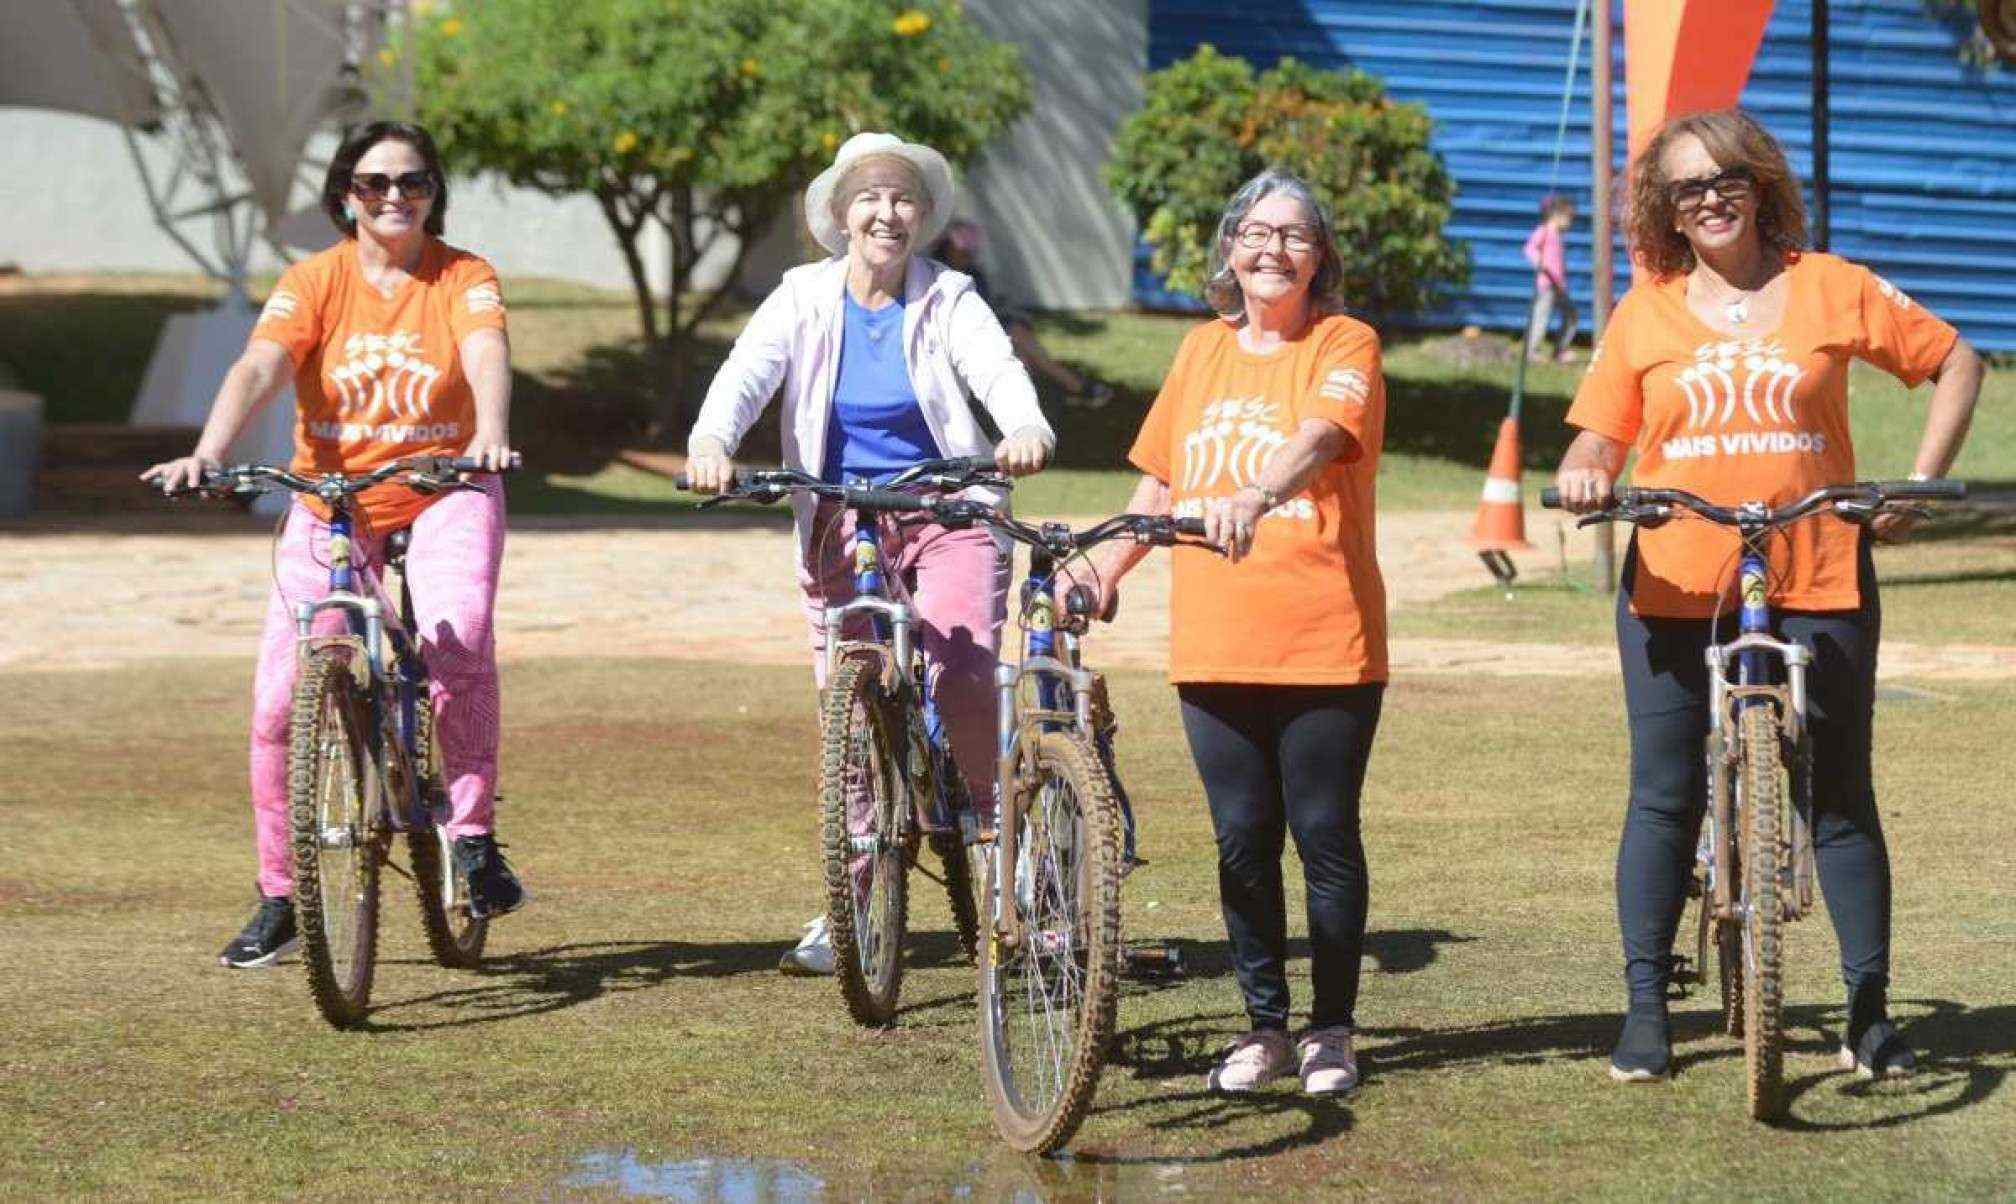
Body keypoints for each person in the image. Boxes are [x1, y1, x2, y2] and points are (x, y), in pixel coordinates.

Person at [1554, 108, 1984, 1084]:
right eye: (1686, 187)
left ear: (1759, 185)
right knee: (1663, 795)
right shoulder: (1645, 309)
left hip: (1821, 568)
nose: (1708, 198)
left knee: (1837, 796)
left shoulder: (1827, 286)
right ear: (1663, 207)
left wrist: (1914, 483)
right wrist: (1585, 469)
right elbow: (1597, 435)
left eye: (1725, 179)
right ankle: (1647, 1011)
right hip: (1673, 580)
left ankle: (1866, 1012)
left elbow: (1958, 358)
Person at [142, 121, 529, 967]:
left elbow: (486, 348)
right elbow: (258, 366)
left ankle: (471, 838)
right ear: (344, 194)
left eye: (414, 181)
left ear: (434, 190)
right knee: (280, 700)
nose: (395, 197)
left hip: (446, 487)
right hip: (330, 500)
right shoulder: (313, 280)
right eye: (374, 183)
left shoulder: (463, 275)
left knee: (456, 638)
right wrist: (209, 452)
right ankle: (281, 893)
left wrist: (490, 434)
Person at [685, 132, 1055, 975]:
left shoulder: (950, 297)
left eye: (902, 200)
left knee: (962, 671)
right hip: (843, 518)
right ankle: (850, 902)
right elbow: (747, 374)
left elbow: (996, 371)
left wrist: (1023, 426)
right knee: (846, 714)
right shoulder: (800, 296)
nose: (886, 213)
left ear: (922, 218)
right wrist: (713, 439)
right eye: (870, 198)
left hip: (946, 506)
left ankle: (1009, 865)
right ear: (841, 215)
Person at [1063, 170, 1387, 1096]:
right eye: (1255, 232)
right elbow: (1161, 485)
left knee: (1322, 833)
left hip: (1324, 633)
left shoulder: (1343, 340)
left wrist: (1254, 494)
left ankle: (1332, 1031)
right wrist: (1105, 568)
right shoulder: (1201, 351)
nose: (1272, 249)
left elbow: (1323, 435)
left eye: (1293, 234)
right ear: (1229, 250)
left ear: (1319, 256)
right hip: (1213, 636)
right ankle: (1264, 1029)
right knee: (1242, 840)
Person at [931, 219, 1113, 408]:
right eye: (963, 250)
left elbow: (985, 308)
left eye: (970, 251)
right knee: (1019, 342)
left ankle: (1068, 390)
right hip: (956, 334)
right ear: (948, 247)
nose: (968, 255)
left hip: (984, 329)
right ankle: (1076, 387)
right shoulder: (934, 274)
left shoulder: (974, 274)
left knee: (1021, 348)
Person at [1523, 194, 1580, 363]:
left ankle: (1559, 350)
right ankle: (1531, 351)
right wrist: (1539, 263)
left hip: (1558, 285)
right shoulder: (1544, 231)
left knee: (1571, 315)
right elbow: (1529, 249)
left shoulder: (1557, 235)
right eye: (1569, 217)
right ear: (1556, 214)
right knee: (1541, 316)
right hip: (1546, 284)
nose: (1570, 222)